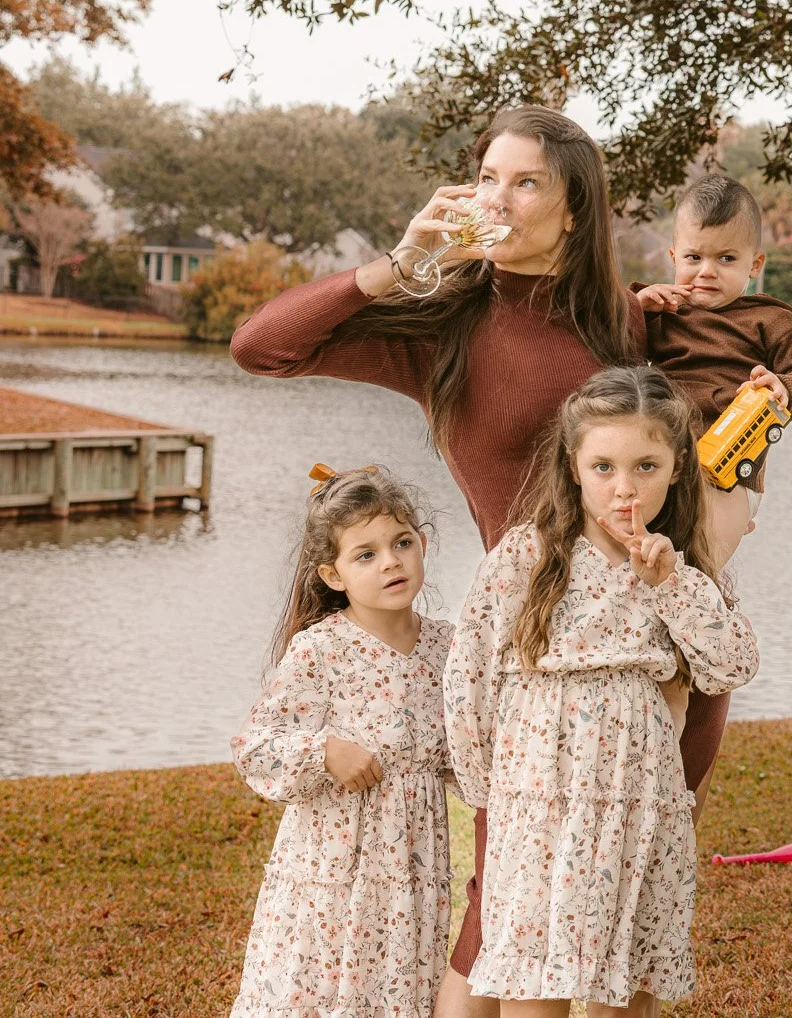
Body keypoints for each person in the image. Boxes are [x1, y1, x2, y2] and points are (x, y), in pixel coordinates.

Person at [231, 108, 729, 1016]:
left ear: (575, 209)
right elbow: (262, 346)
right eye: (487, 176)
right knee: (503, 909)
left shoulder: (623, 322)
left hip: (657, 649)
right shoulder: (446, 322)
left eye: (526, 181)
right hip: (528, 656)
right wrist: (400, 261)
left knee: (627, 920)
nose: (498, 197)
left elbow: (728, 410)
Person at [443, 366, 759, 1016]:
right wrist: (488, 793)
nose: (625, 488)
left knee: (623, 988)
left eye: (646, 466)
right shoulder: (523, 559)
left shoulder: (678, 567)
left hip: (635, 804)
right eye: (605, 467)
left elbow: (732, 664)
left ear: (676, 467)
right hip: (536, 809)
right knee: (535, 983)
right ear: (573, 464)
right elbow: (467, 677)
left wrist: (672, 584)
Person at [229, 465, 453, 1018]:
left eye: (402, 543)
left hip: (413, 868)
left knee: (395, 982)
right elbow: (256, 745)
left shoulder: (451, 649)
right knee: (322, 986)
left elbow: (470, 753)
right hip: (332, 869)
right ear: (334, 575)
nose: (391, 562)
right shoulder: (321, 650)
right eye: (366, 555)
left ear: (423, 544)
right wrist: (325, 750)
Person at [635, 172, 792, 566]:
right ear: (674, 257)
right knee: (640, 569)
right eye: (694, 257)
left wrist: (786, 389)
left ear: (754, 264)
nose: (707, 271)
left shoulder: (770, 319)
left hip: (729, 477)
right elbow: (609, 355)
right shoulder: (661, 309)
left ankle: (710, 617)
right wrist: (634, 307)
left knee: (698, 572)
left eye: (726, 259)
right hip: (663, 462)